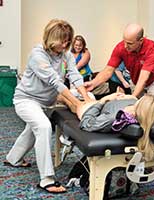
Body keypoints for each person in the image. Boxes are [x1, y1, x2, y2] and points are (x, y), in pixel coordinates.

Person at [4, 19, 93, 194]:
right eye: (63, 40)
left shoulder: (66, 54)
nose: (66, 44)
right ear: (51, 38)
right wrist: (77, 104)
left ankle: (13, 158)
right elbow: (55, 83)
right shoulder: (38, 55)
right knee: (43, 127)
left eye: (68, 40)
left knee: (32, 129)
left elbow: (75, 75)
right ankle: (47, 179)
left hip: (45, 102)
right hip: (26, 100)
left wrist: (85, 98)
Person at [75, 93, 154, 162]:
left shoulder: (112, 118)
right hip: (118, 101)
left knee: (75, 103)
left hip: (102, 107)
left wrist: (102, 101)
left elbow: (85, 123)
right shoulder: (150, 114)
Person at [84, 23, 154, 100]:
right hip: (135, 81)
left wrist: (132, 97)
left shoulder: (151, 48)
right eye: (124, 41)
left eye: (130, 43)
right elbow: (108, 71)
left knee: (153, 108)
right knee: (136, 108)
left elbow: (143, 78)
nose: (125, 46)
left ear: (140, 41)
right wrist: (93, 83)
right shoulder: (120, 47)